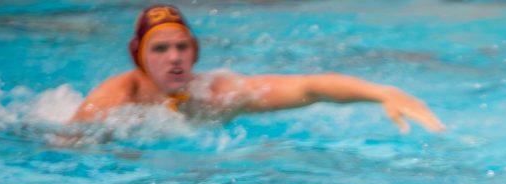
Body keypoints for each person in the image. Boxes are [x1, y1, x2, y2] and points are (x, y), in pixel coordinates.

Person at [69, 5, 445, 133]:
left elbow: (309, 87)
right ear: (139, 56)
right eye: (161, 49)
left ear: (195, 52)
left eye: (183, 46)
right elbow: (69, 144)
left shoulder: (215, 93)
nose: (174, 57)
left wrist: (380, 92)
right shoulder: (115, 99)